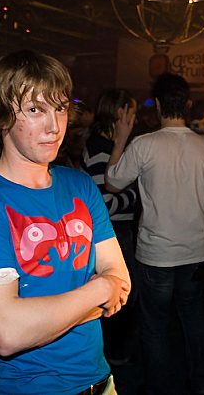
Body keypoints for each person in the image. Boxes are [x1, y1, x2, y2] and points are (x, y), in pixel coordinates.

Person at [0, 50, 131, 395]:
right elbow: (8, 334)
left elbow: (121, 283)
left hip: (101, 383)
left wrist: (41, 319)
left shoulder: (80, 185)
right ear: (1, 116)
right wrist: (99, 289)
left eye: (60, 108)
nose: (54, 126)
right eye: (35, 110)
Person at [105, 72, 204, 395]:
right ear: (187, 104)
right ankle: (201, 382)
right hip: (196, 251)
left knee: (155, 324)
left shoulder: (144, 145)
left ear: (157, 105)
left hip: (156, 253)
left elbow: (113, 183)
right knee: (193, 315)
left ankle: (158, 387)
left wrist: (120, 139)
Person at [82, 88, 140, 366]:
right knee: (119, 293)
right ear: (120, 113)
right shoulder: (99, 149)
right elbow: (104, 205)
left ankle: (112, 352)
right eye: (133, 112)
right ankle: (112, 354)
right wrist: (137, 195)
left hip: (117, 230)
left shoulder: (105, 146)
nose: (136, 118)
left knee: (121, 293)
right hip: (112, 232)